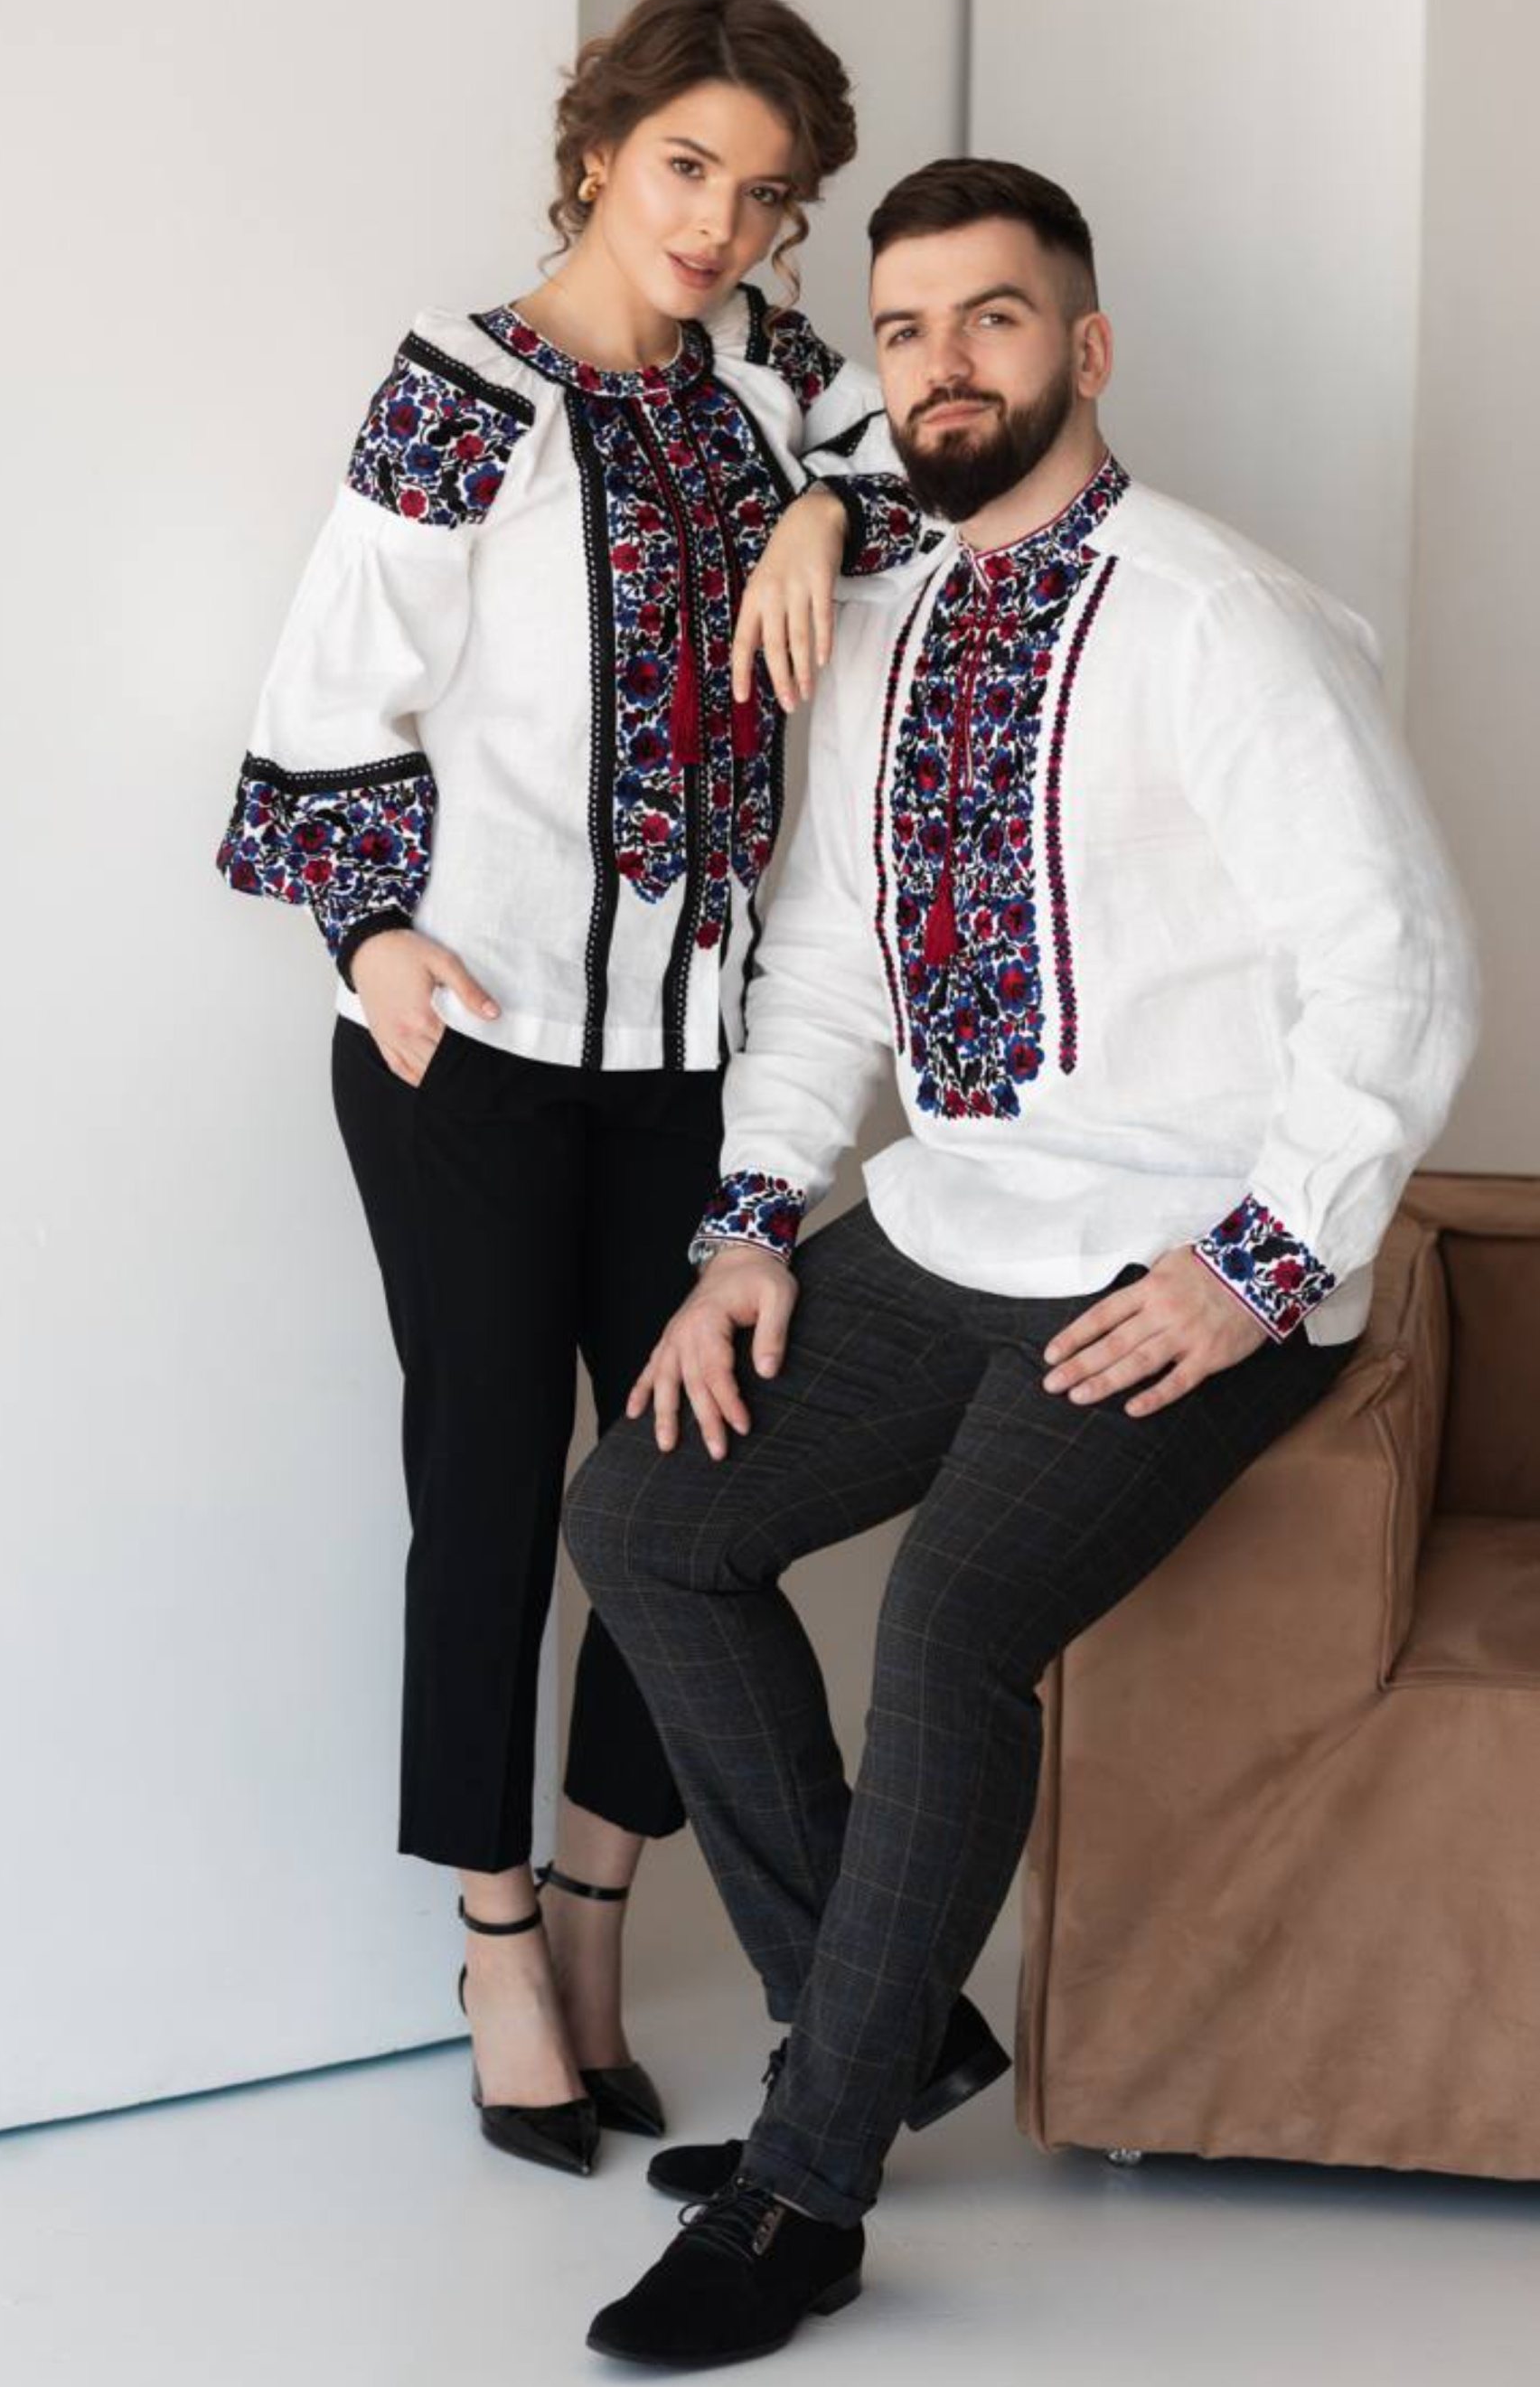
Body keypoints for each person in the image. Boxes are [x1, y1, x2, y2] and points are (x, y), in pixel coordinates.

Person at [564, 155, 1479, 2362]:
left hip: (1183, 1253)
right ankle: (877, 2030)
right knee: (646, 1520)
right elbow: (822, 964)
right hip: (953, 1219)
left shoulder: (1220, 619)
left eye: (989, 318)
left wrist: (1255, 1262)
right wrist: (750, 1223)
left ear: (1083, 345)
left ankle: (804, 2189)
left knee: (951, 1624)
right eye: (900, 329)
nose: (940, 364)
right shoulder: (878, 619)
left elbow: (1400, 965)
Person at [212, 0, 963, 2178]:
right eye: (684, 168)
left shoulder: (773, 386)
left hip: (697, 1068)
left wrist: (813, 520)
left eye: (763, 194)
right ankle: (494, 1939)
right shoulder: (463, 392)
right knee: (482, 1495)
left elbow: (923, 470)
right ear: (597, 150)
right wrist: (368, 935)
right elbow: (326, 690)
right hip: (467, 1050)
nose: (717, 224)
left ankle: (607, 1910)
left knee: (678, 1494)